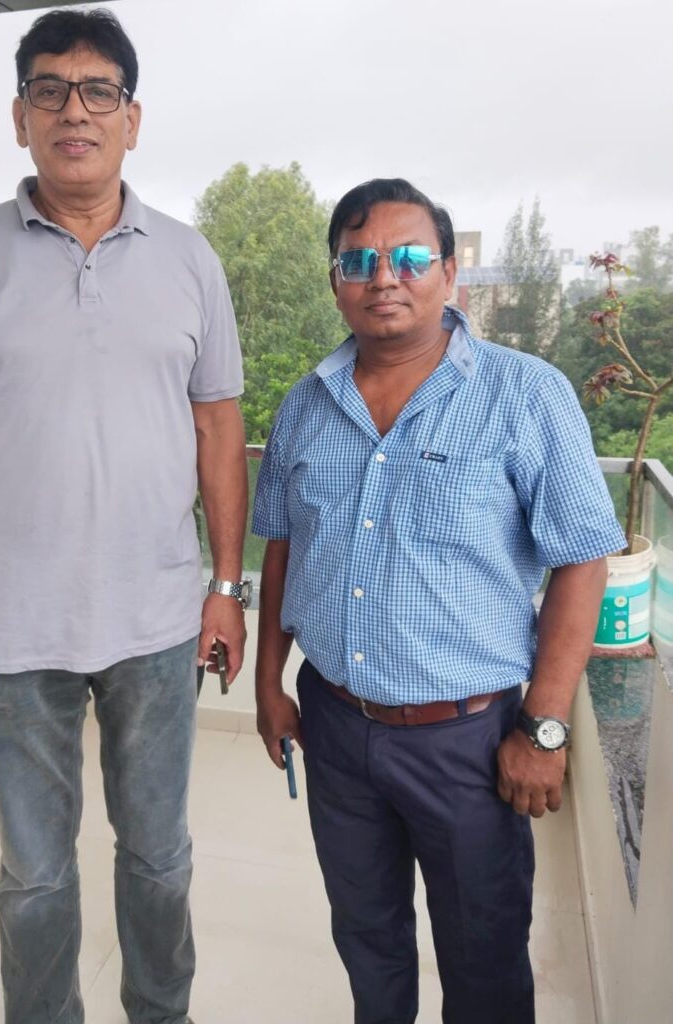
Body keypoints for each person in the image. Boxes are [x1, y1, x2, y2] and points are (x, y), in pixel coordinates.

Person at [0, 9, 249, 1024]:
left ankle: (160, 1013)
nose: (74, 112)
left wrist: (225, 588)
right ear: (20, 117)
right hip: (14, 630)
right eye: (48, 90)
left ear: (131, 118)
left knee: (159, 858)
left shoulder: (189, 259)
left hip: (157, 621)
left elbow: (218, 428)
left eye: (98, 91)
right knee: (36, 877)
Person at [252, 177, 625, 1024]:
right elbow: (282, 547)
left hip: (467, 740)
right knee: (366, 936)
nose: (383, 277)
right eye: (358, 260)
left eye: (409, 257)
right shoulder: (305, 406)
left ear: (449, 272)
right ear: (335, 280)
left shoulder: (525, 394)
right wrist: (269, 684)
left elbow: (581, 561)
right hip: (335, 726)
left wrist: (544, 727)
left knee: (482, 955)